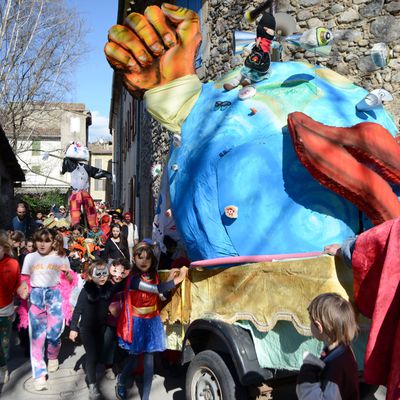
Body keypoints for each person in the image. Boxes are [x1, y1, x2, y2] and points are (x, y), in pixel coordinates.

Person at [115, 242, 188, 400]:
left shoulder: (153, 275)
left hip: (152, 321)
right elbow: (156, 289)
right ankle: (121, 379)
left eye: (147, 257)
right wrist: (178, 279)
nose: (143, 261)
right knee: (134, 358)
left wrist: (168, 278)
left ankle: (145, 398)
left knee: (149, 362)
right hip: (137, 323)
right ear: (134, 258)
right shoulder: (134, 279)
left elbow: (160, 296)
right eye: (140, 257)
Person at [19, 228, 73, 391]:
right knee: (36, 338)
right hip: (36, 296)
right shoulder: (30, 257)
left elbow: (71, 281)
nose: (43, 244)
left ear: (52, 242)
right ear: (35, 242)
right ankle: (39, 375)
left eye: (46, 240)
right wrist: (23, 288)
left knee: (54, 332)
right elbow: (25, 278)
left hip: (55, 296)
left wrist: (67, 274)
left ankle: (52, 355)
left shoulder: (61, 257)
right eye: (39, 240)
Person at [69, 260, 124, 400]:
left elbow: (121, 286)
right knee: (92, 355)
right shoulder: (86, 290)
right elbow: (77, 310)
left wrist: (130, 274)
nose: (102, 276)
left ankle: (94, 368)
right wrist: (73, 328)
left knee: (99, 352)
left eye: (104, 273)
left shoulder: (108, 288)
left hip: (101, 327)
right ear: (91, 275)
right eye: (98, 274)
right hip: (87, 329)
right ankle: (92, 385)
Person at [296, 293, 359, 400]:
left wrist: (306, 379)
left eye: (310, 322)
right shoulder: (344, 350)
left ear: (319, 326)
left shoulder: (334, 371)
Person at [223, 6, 275, 97]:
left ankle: (247, 82)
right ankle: (233, 84)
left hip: (262, 63)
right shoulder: (257, 40)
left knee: (255, 74)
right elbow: (253, 45)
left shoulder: (268, 41)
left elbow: (271, 34)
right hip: (254, 59)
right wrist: (248, 50)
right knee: (244, 71)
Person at [0, 237, 22, 384]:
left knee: (4, 343)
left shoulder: (12, 264)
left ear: (5, 248)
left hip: (5, 309)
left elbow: (17, 284)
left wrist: (17, 302)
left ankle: (2, 367)